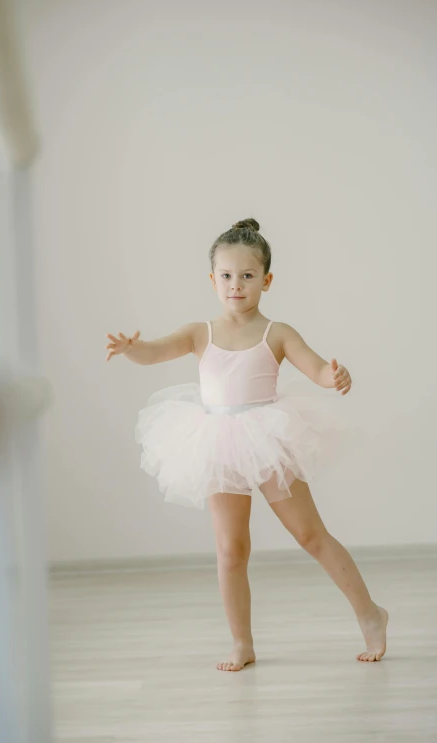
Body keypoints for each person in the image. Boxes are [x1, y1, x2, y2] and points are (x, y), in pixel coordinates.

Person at [105, 218, 388, 671]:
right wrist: (131, 349)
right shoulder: (201, 333)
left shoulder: (277, 332)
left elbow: (315, 368)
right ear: (212, 279)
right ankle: (242, 643)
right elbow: (156, 350)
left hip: (269, 438)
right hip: (217, 442)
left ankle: (371, 614)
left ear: (267, 280)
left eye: (248, 276)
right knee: (230, 550)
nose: (236, 285)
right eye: (227, 276)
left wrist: (333, 376)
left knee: (311, 535)